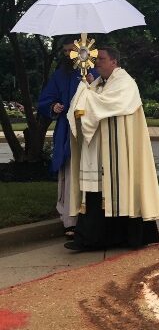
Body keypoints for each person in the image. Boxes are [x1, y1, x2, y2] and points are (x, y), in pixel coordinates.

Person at [65, 47, 159, 251]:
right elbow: (85, 106)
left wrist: (86, 92)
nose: (97, 62)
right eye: (96, 59)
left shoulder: (125, 83)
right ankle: (92, 238)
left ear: (114, 62)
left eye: (101, 59)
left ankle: (125, 236)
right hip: (100, 151)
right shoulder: (98, 83)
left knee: (120, 190)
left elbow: (105, 104)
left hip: (120, 152)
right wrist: (86, 87)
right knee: (96, 193)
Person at [37, 42, 97, 239]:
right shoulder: (60, 75)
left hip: (91, 131)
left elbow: (105, 96)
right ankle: (70, 220)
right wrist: (53, 106)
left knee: (92, 173)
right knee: (70, 174)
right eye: (65, 51)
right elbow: (46, 99)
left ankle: (93, 217)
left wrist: (93, 83)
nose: (68, 54)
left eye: (72, 50)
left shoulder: (93, 72)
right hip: (68, 131)